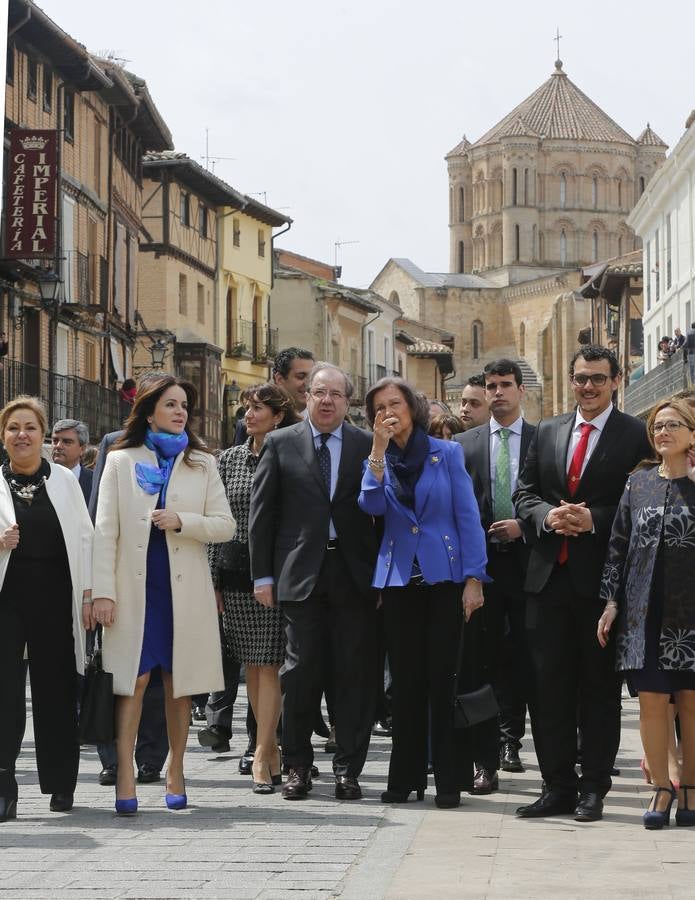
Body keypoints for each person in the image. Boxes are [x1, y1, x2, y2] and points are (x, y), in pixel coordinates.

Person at [513, 345, 651, 822]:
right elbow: (523, 493)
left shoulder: (635, 435)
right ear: (569, 381)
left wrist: (593, 519)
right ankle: (556, 787)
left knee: (597, 692)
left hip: (601, 588)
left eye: (596, 378)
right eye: (579, 379)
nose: (587, 387)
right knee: (547, 689)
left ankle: (593, 788)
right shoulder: (547, 430)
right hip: (546, 582)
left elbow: (643, 505)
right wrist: (547, 516)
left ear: (615, 381)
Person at [92, 375, 235, 815]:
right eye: (170, 404)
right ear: (150, 409)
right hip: (134, 588)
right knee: (131, 681)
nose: (180, 412)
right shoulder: (120, 459)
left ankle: (177, 767)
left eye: (184, 406)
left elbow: (225, 526)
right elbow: (105, 530)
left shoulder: (202, 463)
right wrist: (102, 592)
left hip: (184, 591)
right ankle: (126, 774)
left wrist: (182, 520)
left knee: (179, 684)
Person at [250, 362, 378, 801]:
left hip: (355, 578)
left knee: (353, 677)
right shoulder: (282, 443)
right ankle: (298, 767)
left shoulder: (367, 445)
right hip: (300, 576)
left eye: (336, 395)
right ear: (307, 398)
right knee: (300, 675)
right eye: (319, 392)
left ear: (347, 401)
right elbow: (262, 515)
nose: (326, 401)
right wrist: (263, 576)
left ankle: (348, 769)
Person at [359, 376, 488, 808]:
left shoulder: (447, 453)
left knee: (442, 680)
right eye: (379, 408)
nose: (388, 412)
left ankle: (449, 780)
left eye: (394, 403)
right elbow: (371, 506)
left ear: (412, 406)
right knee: (406, 686)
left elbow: (467, 515)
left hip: (445, 580)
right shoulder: (377, 459)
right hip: (398, 583)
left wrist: (475, 577)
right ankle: (405, 778)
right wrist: (377, 451)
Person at [598, 398, 695, 828]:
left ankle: (691, 787)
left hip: (690, 612)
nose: (663, 432)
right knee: (652, 703)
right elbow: (618, 547)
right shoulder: (637, 484)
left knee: (692, 703)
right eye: (657, 426)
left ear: (692, 432)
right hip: (643, 612)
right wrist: (611, 602)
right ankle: (660, 788)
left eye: (673, 424)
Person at [0, 396, 93, 821]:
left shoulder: (64, 482)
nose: (22, 435)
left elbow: (85, 540)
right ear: (3, 437)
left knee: (56, 692)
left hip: (56, 598)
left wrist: (93, 595)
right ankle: (4, 785)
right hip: (6, 601)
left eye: (30, 428)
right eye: (14, 427)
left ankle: (60, 782)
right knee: (4, 695)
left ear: (42, 436)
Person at [210, 383, 300, 794]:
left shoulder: (290, 455)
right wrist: (213, 581)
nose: (249, 414)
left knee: (270, 663)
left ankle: (264, 752)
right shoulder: (227, 460)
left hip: (276, 574)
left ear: (278, 416)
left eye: (259, 408)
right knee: (252, 664)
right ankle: (269, 747)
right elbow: (216, 523)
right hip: (234, 574)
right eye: (247, 407)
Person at [456, 359, 536, 792]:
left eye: (506, 385)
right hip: (480, 569)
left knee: (529, 660)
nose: (499, 392)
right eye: (492, 386)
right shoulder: (464, 445)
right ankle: (483, 760)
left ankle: (527, 747)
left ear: (521, 390)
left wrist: (526, 524)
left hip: (531, 566)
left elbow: (553, 497)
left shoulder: (545, 439)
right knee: (481, 663)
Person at [234, 348, 315, 446]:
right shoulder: (248, 426)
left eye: (312, 378)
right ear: (279, 379)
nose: (308, 384)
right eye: (300, 376)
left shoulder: (321, 423)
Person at [51, 418, 93, 505]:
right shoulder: (39, 478)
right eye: (55, 441)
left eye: (67, 442)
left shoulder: (95, 482)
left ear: (82, 449)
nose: (58, 446)